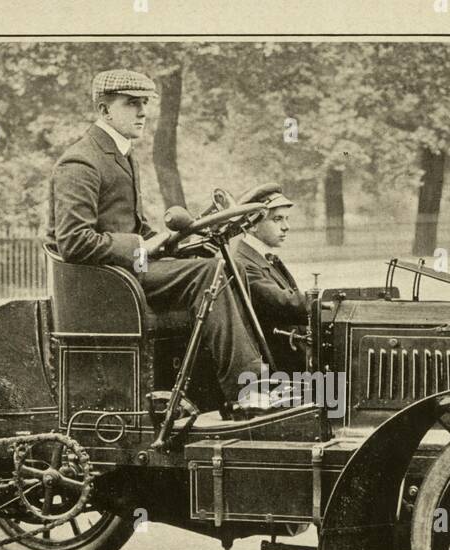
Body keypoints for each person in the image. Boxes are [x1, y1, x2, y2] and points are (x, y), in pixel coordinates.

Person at [46, 68, 275, 411]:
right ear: (104, 109)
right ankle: (249, 390)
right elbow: (74, 242)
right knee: (209, 273)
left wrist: (174, 239)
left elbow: (134, 225)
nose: (142, 111)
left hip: (127, 273)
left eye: (144, 103)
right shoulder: (81, 161)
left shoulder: (121, 154)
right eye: (131, 103)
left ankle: (234, 388)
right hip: (104, 286)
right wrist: (141, 247)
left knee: (224, 267)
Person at [232, 193, 310, 375]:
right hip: (278, 365)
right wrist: (325, 301)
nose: (286, 227)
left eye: (287, 219)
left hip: (293, 355)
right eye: (277, 219)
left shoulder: (264, 258)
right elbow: (284, 304)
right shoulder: (242, 263)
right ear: (252, 224)